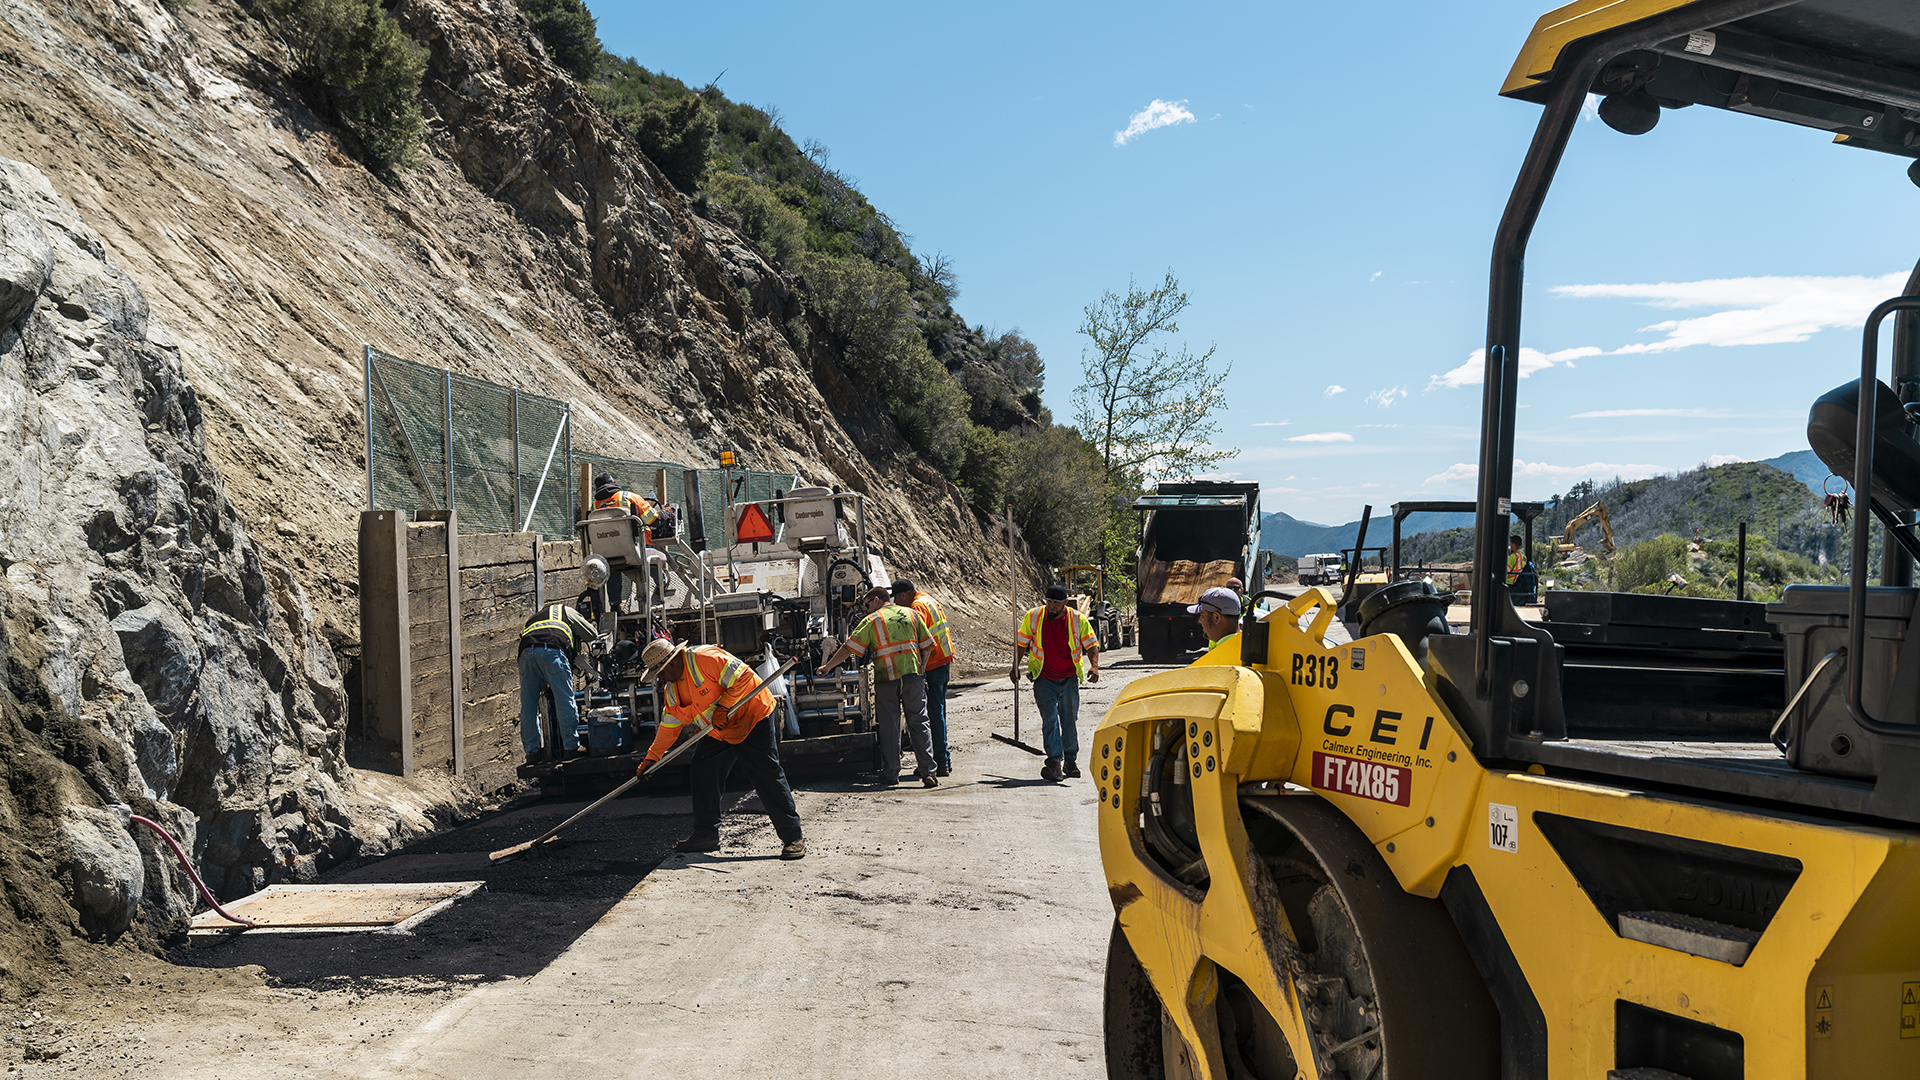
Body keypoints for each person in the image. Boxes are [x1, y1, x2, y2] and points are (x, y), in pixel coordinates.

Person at [636, 639, 806, 860]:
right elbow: (669, 726)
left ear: (671, 663)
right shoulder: (672, 691)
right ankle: (706, 834)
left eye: (659, 672)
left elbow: (743, 677)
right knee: (702, 770)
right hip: (719, 728)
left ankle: (793, 837)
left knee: (766, 774)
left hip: (751, 716)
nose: (659, 678)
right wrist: (652, 758)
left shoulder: (705, 659)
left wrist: (724, 706)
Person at [819, 587, 939, 788]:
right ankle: (929, 772)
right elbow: (927, 645)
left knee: (890, 727)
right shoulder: (911, 613)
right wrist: (920, 670)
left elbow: (849, 648)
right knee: (919, 722)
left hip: (887, 679)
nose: (866, 610)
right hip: (913, 677)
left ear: (876, 600)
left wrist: (827, 666)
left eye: (867, 605)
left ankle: (891, 774)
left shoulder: (873, 620)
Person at [1012, 584, 1101, 783]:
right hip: (1044, 678)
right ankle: (1055, 762)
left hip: (1069, 678)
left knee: (1069, 720)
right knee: (1050, 719)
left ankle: (1070, 761)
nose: (1051, 606)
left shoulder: (1077, 619)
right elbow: (1021, 643)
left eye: (1055, 603)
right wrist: (1015, 666)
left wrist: (1094, 666)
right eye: (1049, 602)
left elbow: (1091, 644)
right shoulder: (1033, 617)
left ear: (1064, 603)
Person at [518, 599, 600, 762]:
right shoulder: (565, 611)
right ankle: (571, 747)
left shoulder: (533, 618)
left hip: (526, 654)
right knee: (564, 700)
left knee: (528, 705)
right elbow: (592, 634)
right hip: (552, 651)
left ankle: (532, 753)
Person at [891, 578, 956, 776]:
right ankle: (942, 760)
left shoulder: (917, 607)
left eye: (896, 599)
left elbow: (916, 637)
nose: (896, 604)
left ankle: (939, 763)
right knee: (938, 712)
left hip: (933, 663)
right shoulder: (928, 599)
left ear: (903, 595)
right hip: (942, 660)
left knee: (931, 715)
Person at [592, 472, 661, 610]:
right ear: (614, 482)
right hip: (635, 552)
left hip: (607, 556)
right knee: (652, 558)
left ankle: (615, 605)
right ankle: (661, 585)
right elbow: (653, 519)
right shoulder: (630, 498)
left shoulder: (595, 507)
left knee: (612, 566)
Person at [1190, 586, 1242, 652]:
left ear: (1216, 617)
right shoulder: (1252, 648)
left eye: (1202, 615)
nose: (1199, 620)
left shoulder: (1218, 658)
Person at [1507, 535, 1538, 601]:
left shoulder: (1513, 556)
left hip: (1512, 582)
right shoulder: (1523, 555)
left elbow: (1506, 570)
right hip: (1520, 581)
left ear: (1512, 543)